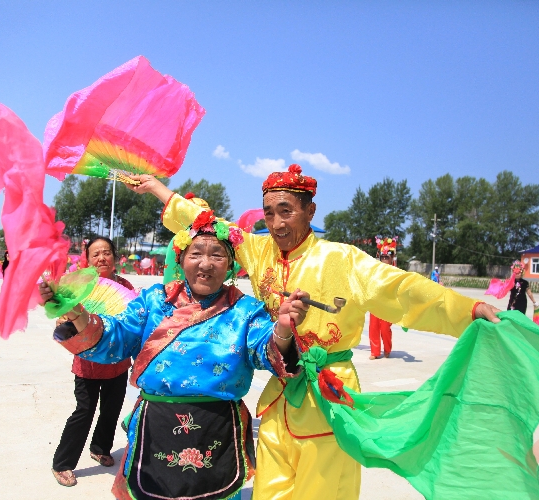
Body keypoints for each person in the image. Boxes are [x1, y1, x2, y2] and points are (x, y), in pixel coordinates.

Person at [127, 164, 499, 500]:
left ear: (310, 211)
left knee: (322, 488)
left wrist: (468, 309)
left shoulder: (343, 259)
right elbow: (207, 221)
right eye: (270, 213)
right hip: (280, 390)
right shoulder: (258, 251)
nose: (276, 223)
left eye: (286, 211)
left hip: (328, 394)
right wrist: (160, 190)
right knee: (271, 487)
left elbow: (402, 289)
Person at [40, 215, 309, 499]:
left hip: (217, 429)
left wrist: (282, 327)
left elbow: (267, 352)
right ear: (181, 261)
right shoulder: (153, 301)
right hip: (156, 427)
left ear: (231, 265)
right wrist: (77, 313)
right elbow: (115, 338)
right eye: (196, 254)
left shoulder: (246, 310)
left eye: (217, 255)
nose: (206, 264)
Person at [50, 237, 136, 487]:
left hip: (118, 362)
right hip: (87, 364)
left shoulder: (125, 286)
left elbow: (133, 320)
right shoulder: (78, 286)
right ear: (87, 259)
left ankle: (101, 448)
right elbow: (63, 317)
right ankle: (62, 463)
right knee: (83, 412)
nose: (102, 259)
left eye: (107, 253)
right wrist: (63, 323)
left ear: (115, 257)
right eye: (96, 254)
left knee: (111, 409)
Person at [368, 236, 397, 360]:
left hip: (388, 304)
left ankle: (387, 349)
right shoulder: (375, 270)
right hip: (375, 302)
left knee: (385, 328)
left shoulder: (396, 271)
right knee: (373, 328)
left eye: (387, 257)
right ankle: (375, 352)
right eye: (383, 257)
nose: (384, 259)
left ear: (391, 258)